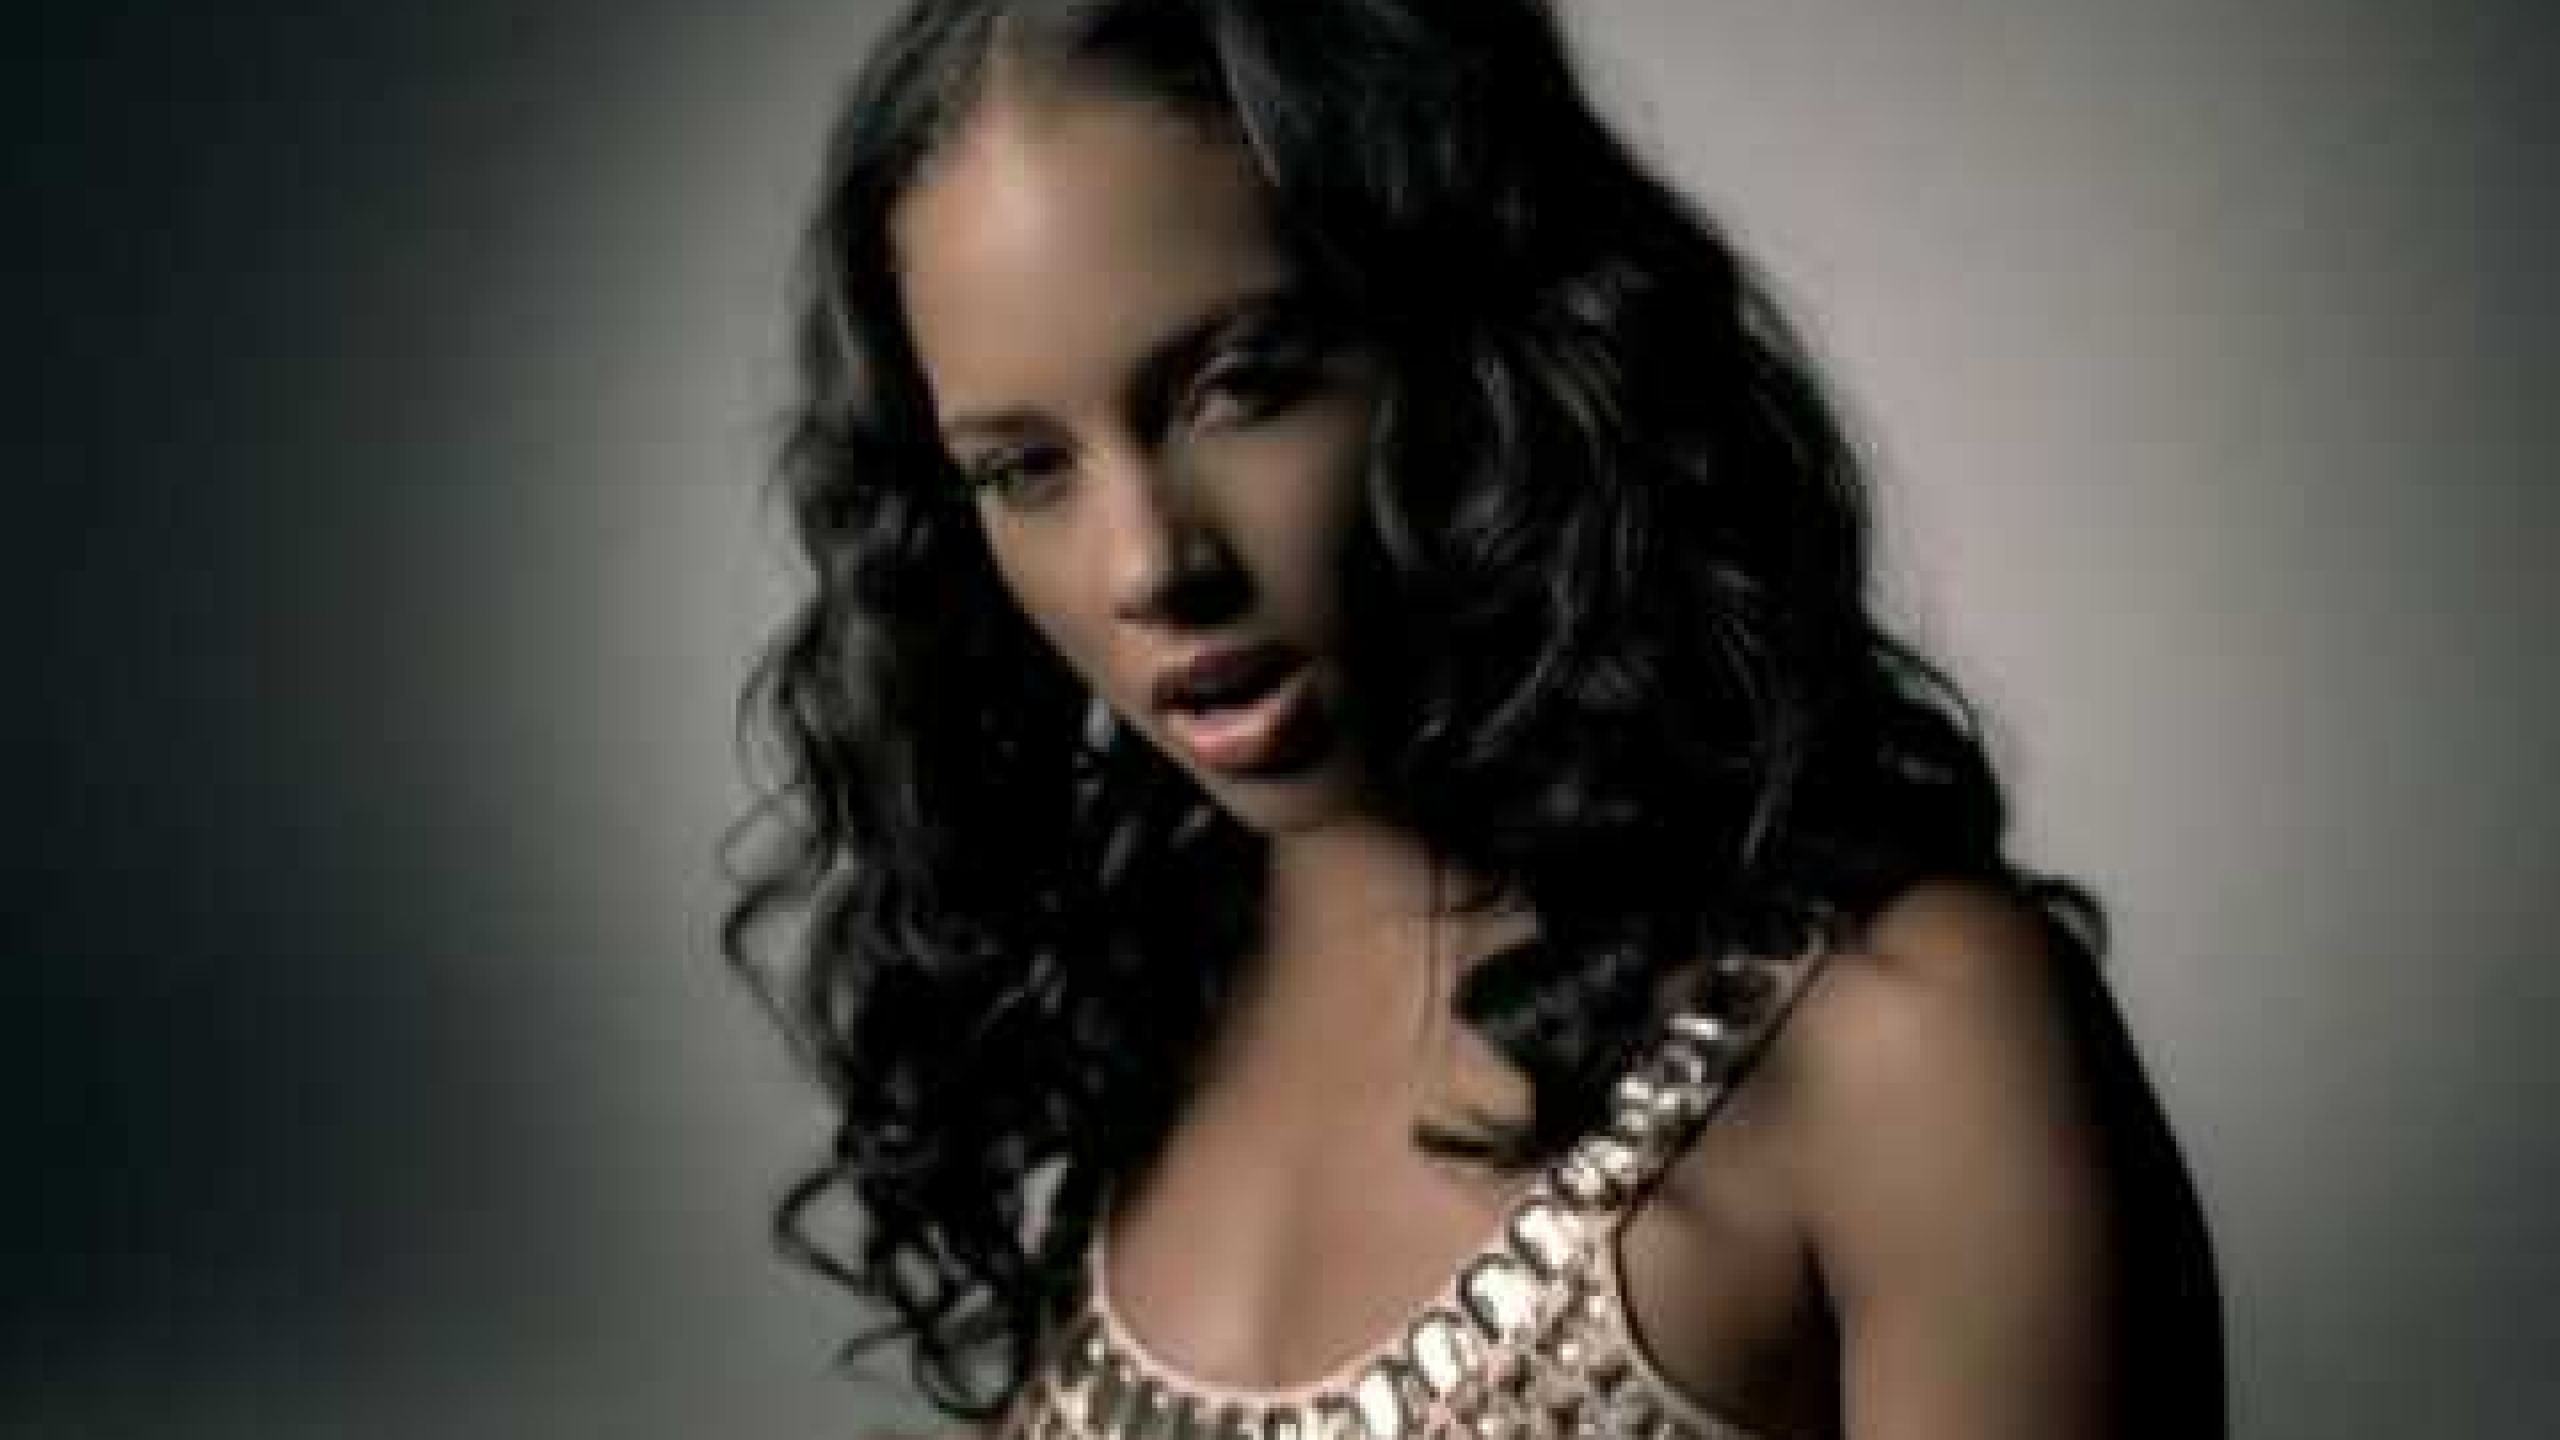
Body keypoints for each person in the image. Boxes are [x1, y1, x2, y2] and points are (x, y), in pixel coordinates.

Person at [722, 2, 2225, 1437]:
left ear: (1482, 335)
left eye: (1244, 386)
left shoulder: (1908, 1044)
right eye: (1024, 469)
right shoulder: (1132, 1009)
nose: (1146, 566)